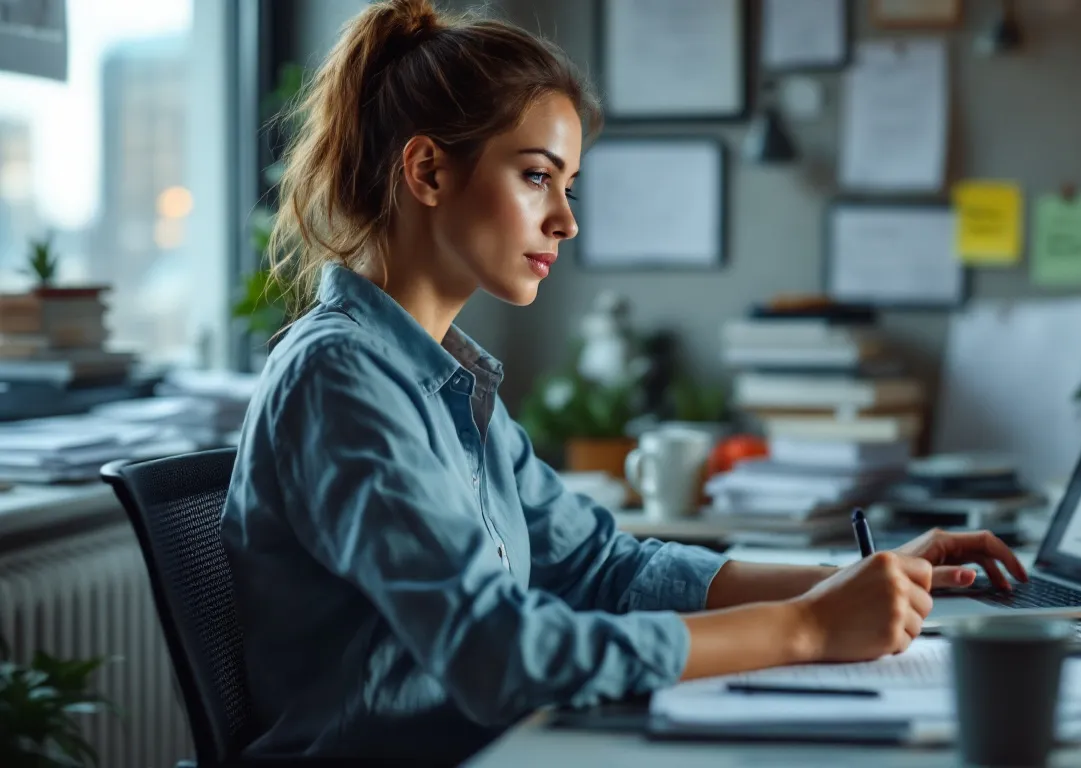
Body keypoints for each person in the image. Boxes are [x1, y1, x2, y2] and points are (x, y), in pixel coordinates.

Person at [220, 0, 1028, 763]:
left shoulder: (444, 376)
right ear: (428, 170)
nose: (566, 221)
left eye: (568, 187)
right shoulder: (341, 377)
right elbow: (500, 654)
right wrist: (809, 629)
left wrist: (854, 582)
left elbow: (605, 568)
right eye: (538, 177)